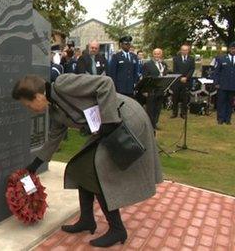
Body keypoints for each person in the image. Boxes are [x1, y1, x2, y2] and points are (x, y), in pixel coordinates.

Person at [12, 74, 162, 248]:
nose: (30, 109)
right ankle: (87, 220)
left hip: (124, 119)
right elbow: (54, 139)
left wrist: (109, 120)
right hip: (106, 129)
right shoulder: (55, 111)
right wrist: (34, 166)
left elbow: (105, 83)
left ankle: (117, 229)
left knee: (97, 171)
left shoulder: (63, 84)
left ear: (37, 95)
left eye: (28, 104)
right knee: (81, 167)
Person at [142, 48, 168, 129]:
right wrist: (145, 90)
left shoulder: (164, 64)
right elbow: (145, 78)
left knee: (158, 107)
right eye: (155, 54)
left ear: (161, 55)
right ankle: (150, 124)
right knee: (150, 108)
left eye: (158, 54)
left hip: (161, 89)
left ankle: (155, 123)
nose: (157, 55)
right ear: (153, 55)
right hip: (151, 90)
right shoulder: (147, 64)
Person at [211, 41, 235, 125]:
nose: (233, 50)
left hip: (232, 85)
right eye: (232, 48)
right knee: (221, 102)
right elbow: (216, 72)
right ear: (229, 49)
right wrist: (216, 82)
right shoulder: (221, 58)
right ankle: (220, 119)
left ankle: (228, 119)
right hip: (222, 84)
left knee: (230, 103)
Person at [171, 44, 195, 118]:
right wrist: (180, 78)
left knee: (185, 97)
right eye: (183, 50)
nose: (184, 51)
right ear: (181, 50)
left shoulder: (191, 59)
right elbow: (175, 70)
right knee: (175, 97)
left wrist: (186, 78)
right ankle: (174, 113)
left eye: (186, 50)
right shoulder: (176, 59)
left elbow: (192, 69)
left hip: (187, 81)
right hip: (178, 81)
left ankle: (183, 113)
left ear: (188, 51)